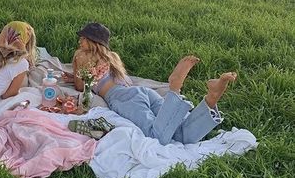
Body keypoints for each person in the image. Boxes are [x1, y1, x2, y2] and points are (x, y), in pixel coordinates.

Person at [68, 22, 237, 145]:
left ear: (92, 41)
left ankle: (174, 89)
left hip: (121, 97)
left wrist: (75, 72)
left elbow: (80, 86)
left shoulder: (82, 55)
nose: (79, 42)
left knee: (155, 136)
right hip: (142, 92)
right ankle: (211, 100)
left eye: (83, 38)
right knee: (179, 132)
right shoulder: (113, 57)